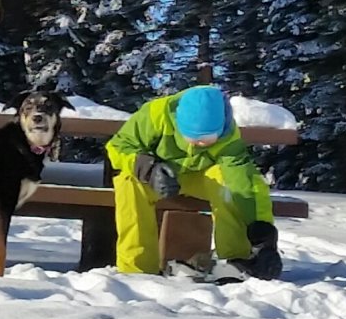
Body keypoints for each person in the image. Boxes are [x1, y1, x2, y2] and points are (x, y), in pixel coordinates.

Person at [105, 84, 282, 279]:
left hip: (201, 179)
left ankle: (235, 263)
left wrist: (264, 237)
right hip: (157, 178)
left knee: (227, 182)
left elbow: (245, 185)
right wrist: (149, 169)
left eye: (206, 138)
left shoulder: (228, 134)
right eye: (190, 135)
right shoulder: (155, 114)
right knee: (128, 181)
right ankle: (137, 270)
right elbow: (117, 148)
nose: (198, 144)